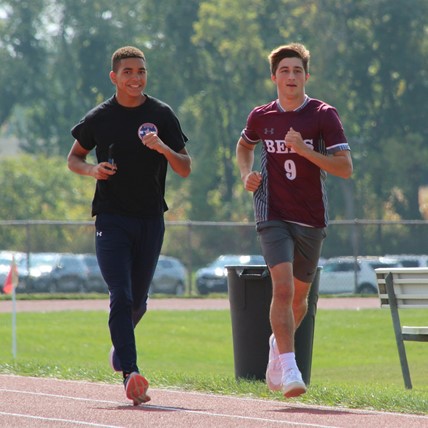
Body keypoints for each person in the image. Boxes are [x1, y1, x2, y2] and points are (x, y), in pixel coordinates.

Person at [67, 46, 191, 405]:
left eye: (141, 71)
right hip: (111, 218)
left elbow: (185, 167)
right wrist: (92, 169)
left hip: (151, 218)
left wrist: (164, 149)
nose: (136, 78)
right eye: (128, 72)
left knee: (138, 302)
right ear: (114, 77)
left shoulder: (161, 114)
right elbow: (74, 157)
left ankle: (120, 349)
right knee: (119, 295)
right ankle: (131, 373)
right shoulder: (99, 118)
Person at [236, 43, 352, 398]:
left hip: (311, 217)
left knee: (299, 298)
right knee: (282, 288)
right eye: (284, 70)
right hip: (272, 212)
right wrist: (246, 175)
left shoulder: (323, 115)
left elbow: (345, 169)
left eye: (297, 71)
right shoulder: (261, 116)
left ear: (306, 77)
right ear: (274, 77)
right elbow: (244, 146)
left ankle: (277, 345)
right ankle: (289, 367)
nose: (291, 77)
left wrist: (304, 150)